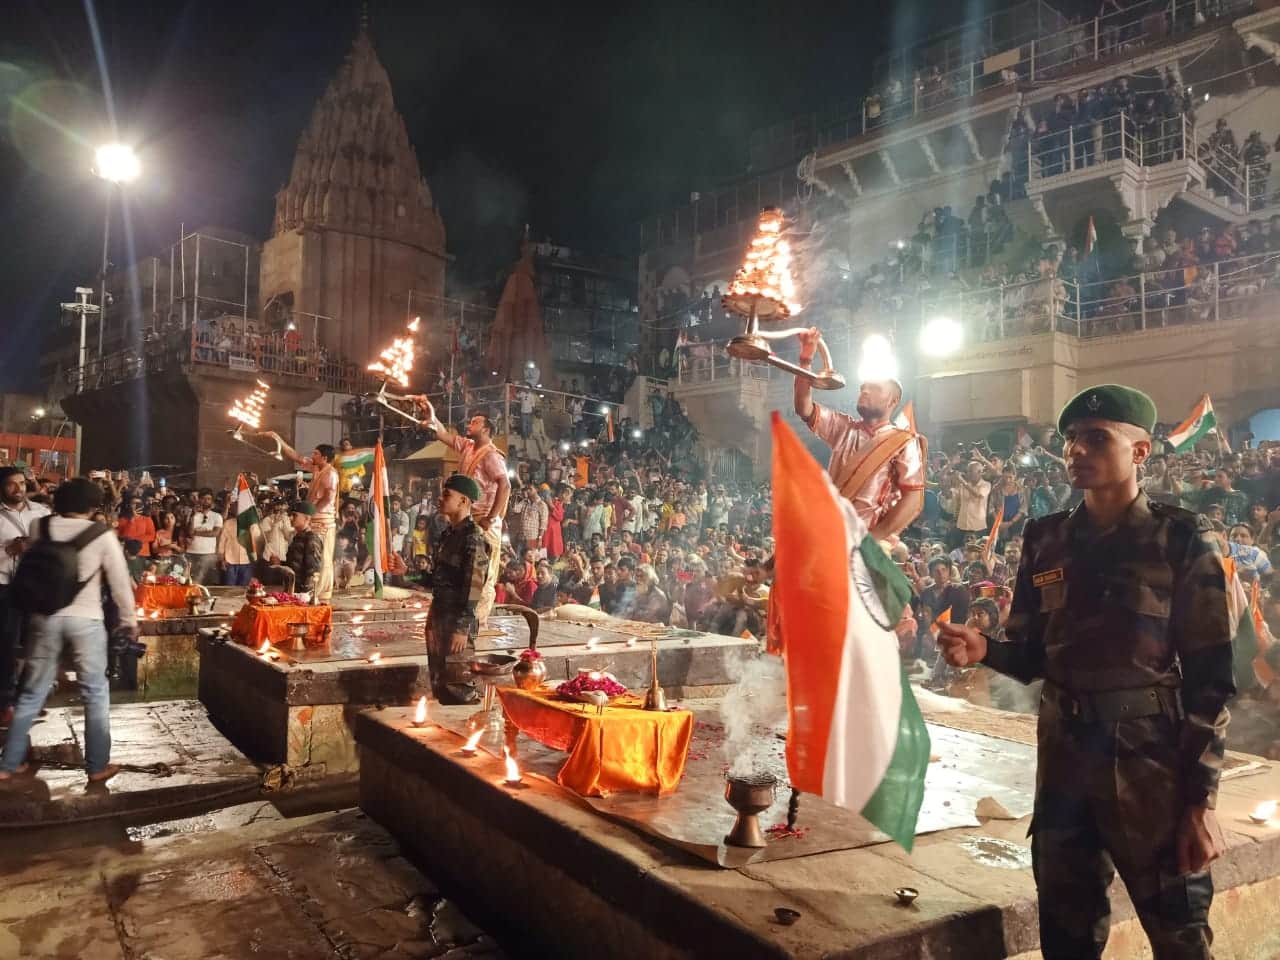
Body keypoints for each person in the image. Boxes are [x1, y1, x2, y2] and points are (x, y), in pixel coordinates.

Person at [938, 384, 1232, 958]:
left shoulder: (1182, 537)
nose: (1076, 450)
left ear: (1140, 452)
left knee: (1181, 936)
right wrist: (985, 650)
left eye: (1097, 438)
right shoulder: (1046, 538)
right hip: (1065, 759)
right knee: (1066, 935)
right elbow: (1030, 654)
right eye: (1071, 439)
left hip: (1150, 764)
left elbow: (1211, 677)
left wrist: (1201, 803)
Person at [0, 478, 137, 784]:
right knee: (95, 693)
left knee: (32, 694)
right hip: (86, 620)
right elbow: (119, 582)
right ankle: (97, 765)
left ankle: (8, 764)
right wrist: (129, 620)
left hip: (44, 617)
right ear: (92, 506)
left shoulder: (40, 526)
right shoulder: (101, 535)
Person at [794, 328, 924, 541]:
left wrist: (875, 539)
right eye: (863, 387)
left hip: (867, 544)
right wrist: (806, 360)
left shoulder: (904, 442)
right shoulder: (844, 428)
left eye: (874, 388)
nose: (864, 391)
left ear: (892, 401)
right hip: (831, 534)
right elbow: (803, 408)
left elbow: (913, 498)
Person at [426, 407, 510, 624]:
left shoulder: (491, 455)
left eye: (475, 422)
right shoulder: (467, 446)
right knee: (462, 569)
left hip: (484, 520)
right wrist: (431, 413)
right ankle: (461, 618)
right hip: (468, 518)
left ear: (487, 429)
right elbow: (442, 433)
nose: (469, 424)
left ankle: (475, 622)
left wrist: (490, 518)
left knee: (483, 575)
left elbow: (505, 485)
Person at [422, 475, 491, 704]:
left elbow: (473, 587)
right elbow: (438, 579)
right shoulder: (448, 534)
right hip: (439, 614)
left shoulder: (473, 538)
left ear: (463, 501)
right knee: (440, 680)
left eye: (446, 495)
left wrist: (462, 628)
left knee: (458, 682)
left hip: (457, 620)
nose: (440, 499)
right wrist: (408, 574)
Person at [0, 467, 50, 721]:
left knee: (36, 643)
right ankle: (5, 702)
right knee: (6, 644)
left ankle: (27, 697)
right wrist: (9, 550)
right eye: (12, 484)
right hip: (5, 586)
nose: (19, 489)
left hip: (35, 586)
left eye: (21, 483)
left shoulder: (41, 513)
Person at [268, 435, 339, 601]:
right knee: (307, 556)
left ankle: (320, 593)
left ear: (324, 457)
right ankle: (305, 590)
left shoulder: (331, 474)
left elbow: (329, 498)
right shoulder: (316, 469)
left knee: (321, 559)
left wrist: (309, 512)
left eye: (315, 454)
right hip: (312, 520)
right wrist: (278, 439)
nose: (312, 456)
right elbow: (297, 457)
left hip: (323, 522)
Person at [269, 502, 324, 595]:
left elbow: (313, 571)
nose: (291, 518)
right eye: (291, 515)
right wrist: (280, 563)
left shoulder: (311, 539)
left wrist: (305, 595)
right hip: (292, 589)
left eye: (295, 515)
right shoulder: (297, 537)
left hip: (302, 593)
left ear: (307, 518)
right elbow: (294, 565)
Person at [187, 489, 222, 586]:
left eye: (209, 499)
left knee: (205, 583)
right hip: (191, 552)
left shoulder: (217, 516)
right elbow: (190, 532)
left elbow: (215, 533)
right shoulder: (193, 515)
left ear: (212, 501)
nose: (206, 501)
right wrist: (193, 516)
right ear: (199, 500)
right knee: (191, 582)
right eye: (203, 498)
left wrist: (196, 532)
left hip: (208, 554)